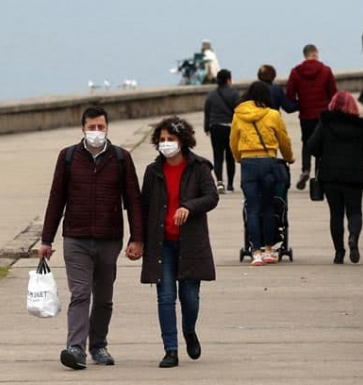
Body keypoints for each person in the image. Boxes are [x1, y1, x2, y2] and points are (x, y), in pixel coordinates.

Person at [37, 106, 144, 370]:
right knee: (81, 293)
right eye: (91, 127)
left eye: (101, 127)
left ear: (107, 128)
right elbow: (56, 199)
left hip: (110, 238)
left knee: (104, 297)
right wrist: (46, 240)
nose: (96, 132)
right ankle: (75, 348)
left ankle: (99, 345)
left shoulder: (121, 158)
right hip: (76, 238)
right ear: (82, 129)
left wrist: (137, 238)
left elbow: (134, 200)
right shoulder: (68, 157)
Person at [139, 117, 218, 368]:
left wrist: (189, 207)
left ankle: (189, 330)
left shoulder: (199, 167)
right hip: (162, 245)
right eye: (162, 140)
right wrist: (137, 240)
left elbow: (211, 197)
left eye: (170, 139)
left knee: (190, 297)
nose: (166, 144)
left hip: (190, 244)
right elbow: (144, 206)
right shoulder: (153, 172)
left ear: (182, 141)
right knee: (165, 297)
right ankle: (170, 350)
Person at [300, 91, 363, 264]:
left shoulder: (325, 125)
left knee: (336, 215)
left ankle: (339, 253)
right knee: (354, 212)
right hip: (354, 178)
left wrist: (325, 151)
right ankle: (353, 237)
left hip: (331, 177)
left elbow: (312, 146)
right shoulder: (361, 128)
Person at [230, 81, 294, 266]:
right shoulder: (273, 115)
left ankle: (255, 252)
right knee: (268, 207)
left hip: (248, 163)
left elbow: (233, 141)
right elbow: (283, 139)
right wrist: (289, 157)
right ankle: (268, 250)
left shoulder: (239, 115)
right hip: (268, 161)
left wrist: (238, 158)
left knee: (252, 208)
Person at [286, 44, 338, 143]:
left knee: (306, 143)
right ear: (314, 54)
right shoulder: (326, 70)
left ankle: (306, 159)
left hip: (305, 116)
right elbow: (333, 94)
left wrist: (301, 104)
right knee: (324, 144)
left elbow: (290, 96)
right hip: (323, 115)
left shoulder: (295, 72)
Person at [203, 69, 240, 193]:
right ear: (229, 79)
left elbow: (207, 112)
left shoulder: (211, 95)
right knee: (230, 156)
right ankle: (230, 184)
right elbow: (239, 111)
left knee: (218, 156)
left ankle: (219, 182)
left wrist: (206, 128)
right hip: (230, 128)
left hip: (215, 127)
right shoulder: (234, 94)